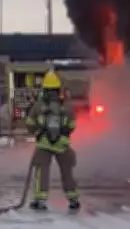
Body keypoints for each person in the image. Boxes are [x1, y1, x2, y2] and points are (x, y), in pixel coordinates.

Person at [24, 68, 80, 211]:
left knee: (41, 171)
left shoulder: (38, 105)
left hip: (44, 144)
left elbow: (29, 123)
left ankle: (40, 200)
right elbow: (72, 125)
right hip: (62, 144)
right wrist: (63, 132)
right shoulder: (67, 106)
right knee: (67, 172)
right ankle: (73, 199)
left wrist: (38, 132)